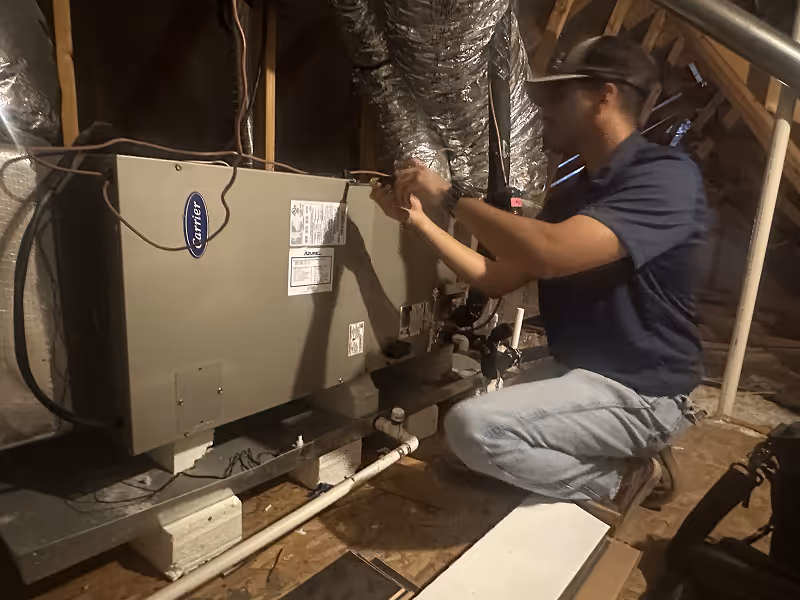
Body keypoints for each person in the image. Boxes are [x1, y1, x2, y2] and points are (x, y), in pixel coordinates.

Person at [369, 36, 706, 520]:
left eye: (558, 95)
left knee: (473, 430)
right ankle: (608, 446)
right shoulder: (571, 198)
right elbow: (494, 276)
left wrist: (448, 194)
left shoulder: (666, 177)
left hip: (642, 389)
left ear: (604, 96)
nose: (542, 107)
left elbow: (550, 254)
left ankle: (619, 479)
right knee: (460, 443)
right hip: (585, 373)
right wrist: (419, 222)